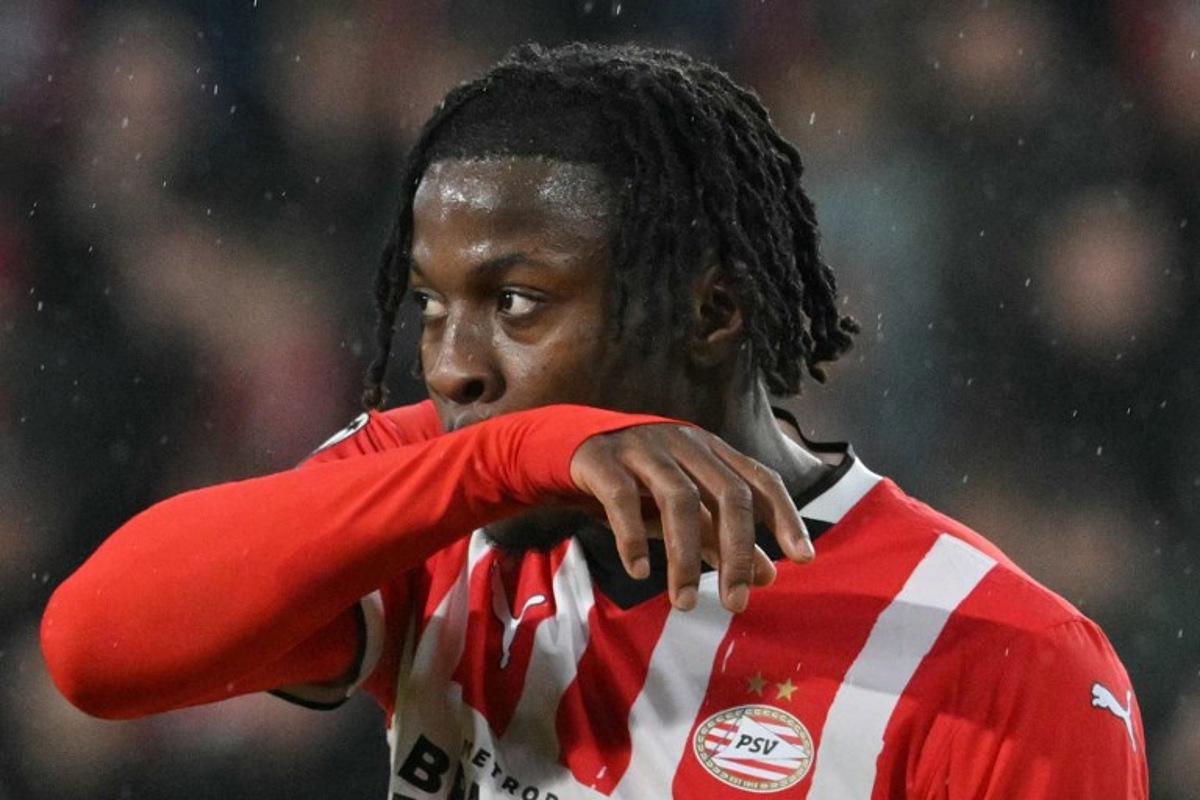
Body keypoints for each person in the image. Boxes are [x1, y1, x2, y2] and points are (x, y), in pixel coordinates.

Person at [41, 43, 1148, 799]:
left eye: (516, 303)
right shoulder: (443, 510)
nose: (455, 364)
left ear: (711, 309)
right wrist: (515, 449)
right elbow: (95, 649)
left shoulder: (1003, 659)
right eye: (431, 305)